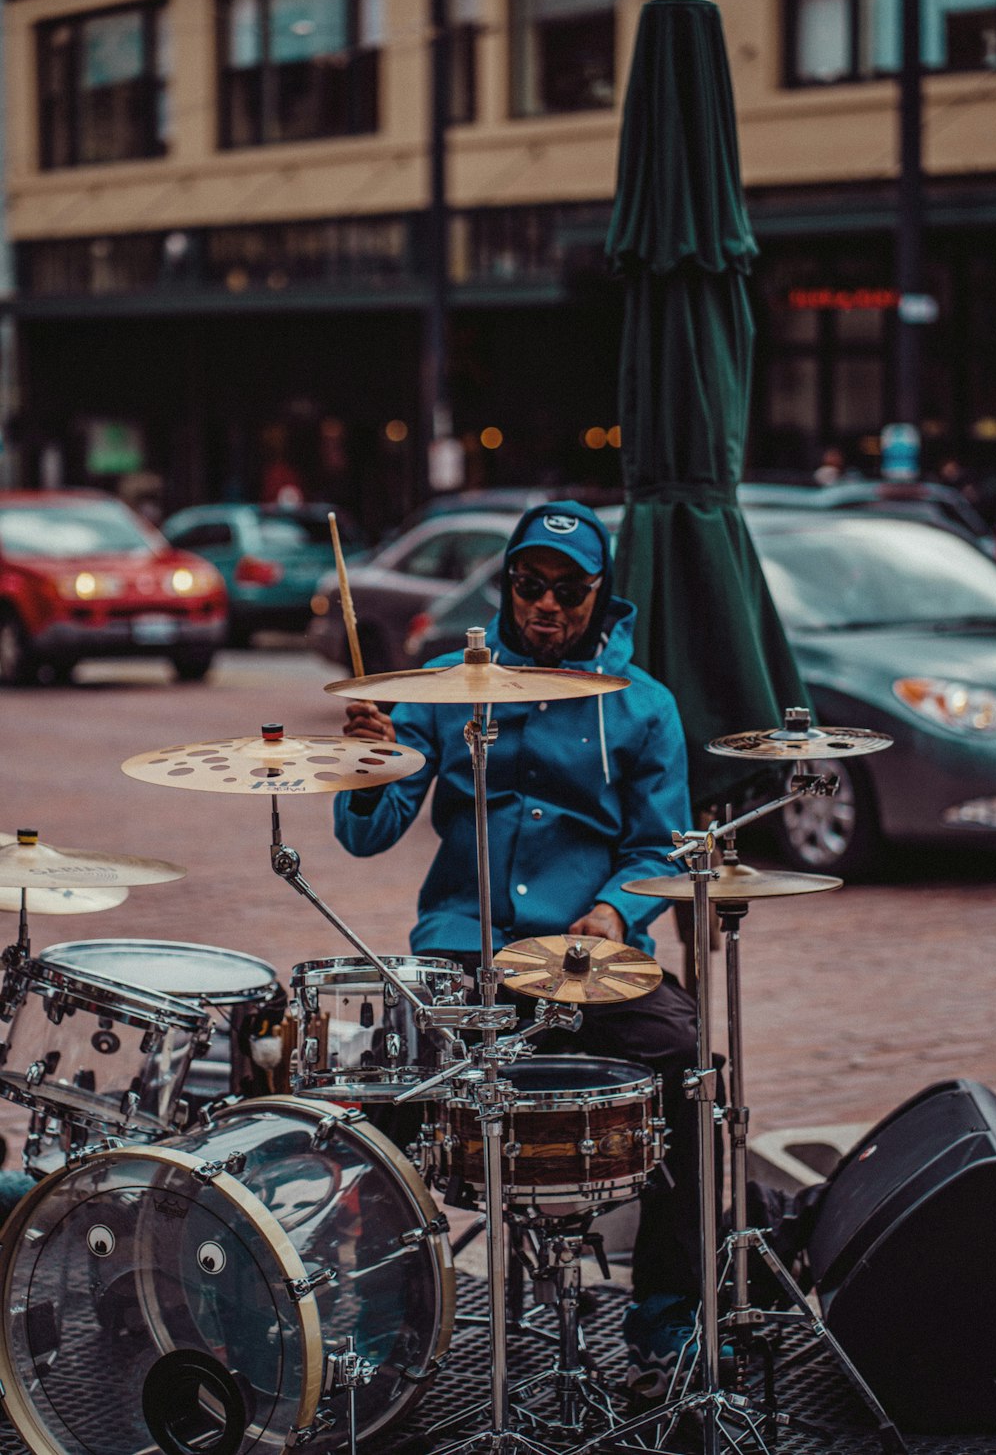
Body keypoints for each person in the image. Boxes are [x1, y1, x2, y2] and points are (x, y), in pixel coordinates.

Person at [334, 500, 717, 1400]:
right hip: (460, 948)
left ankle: (666, 1319)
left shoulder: (642, 704)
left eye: (567, 592)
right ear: (507, 584)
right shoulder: (441, 685)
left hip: (584, 955)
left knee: (690, 1058)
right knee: (382, 1088)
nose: (545, 606)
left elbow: (660, 847)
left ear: (600, 595)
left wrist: (618, 915)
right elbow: (369, 834)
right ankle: (384, 1321)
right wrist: (368, 770)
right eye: (528, 585)